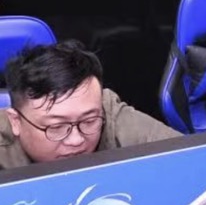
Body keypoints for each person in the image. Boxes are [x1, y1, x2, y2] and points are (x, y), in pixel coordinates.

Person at [0, 41, 179, 169]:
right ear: (15, 121)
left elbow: (186, 157)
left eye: (89, 121)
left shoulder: (107, 112)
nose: (76, 140)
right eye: (57, 127)